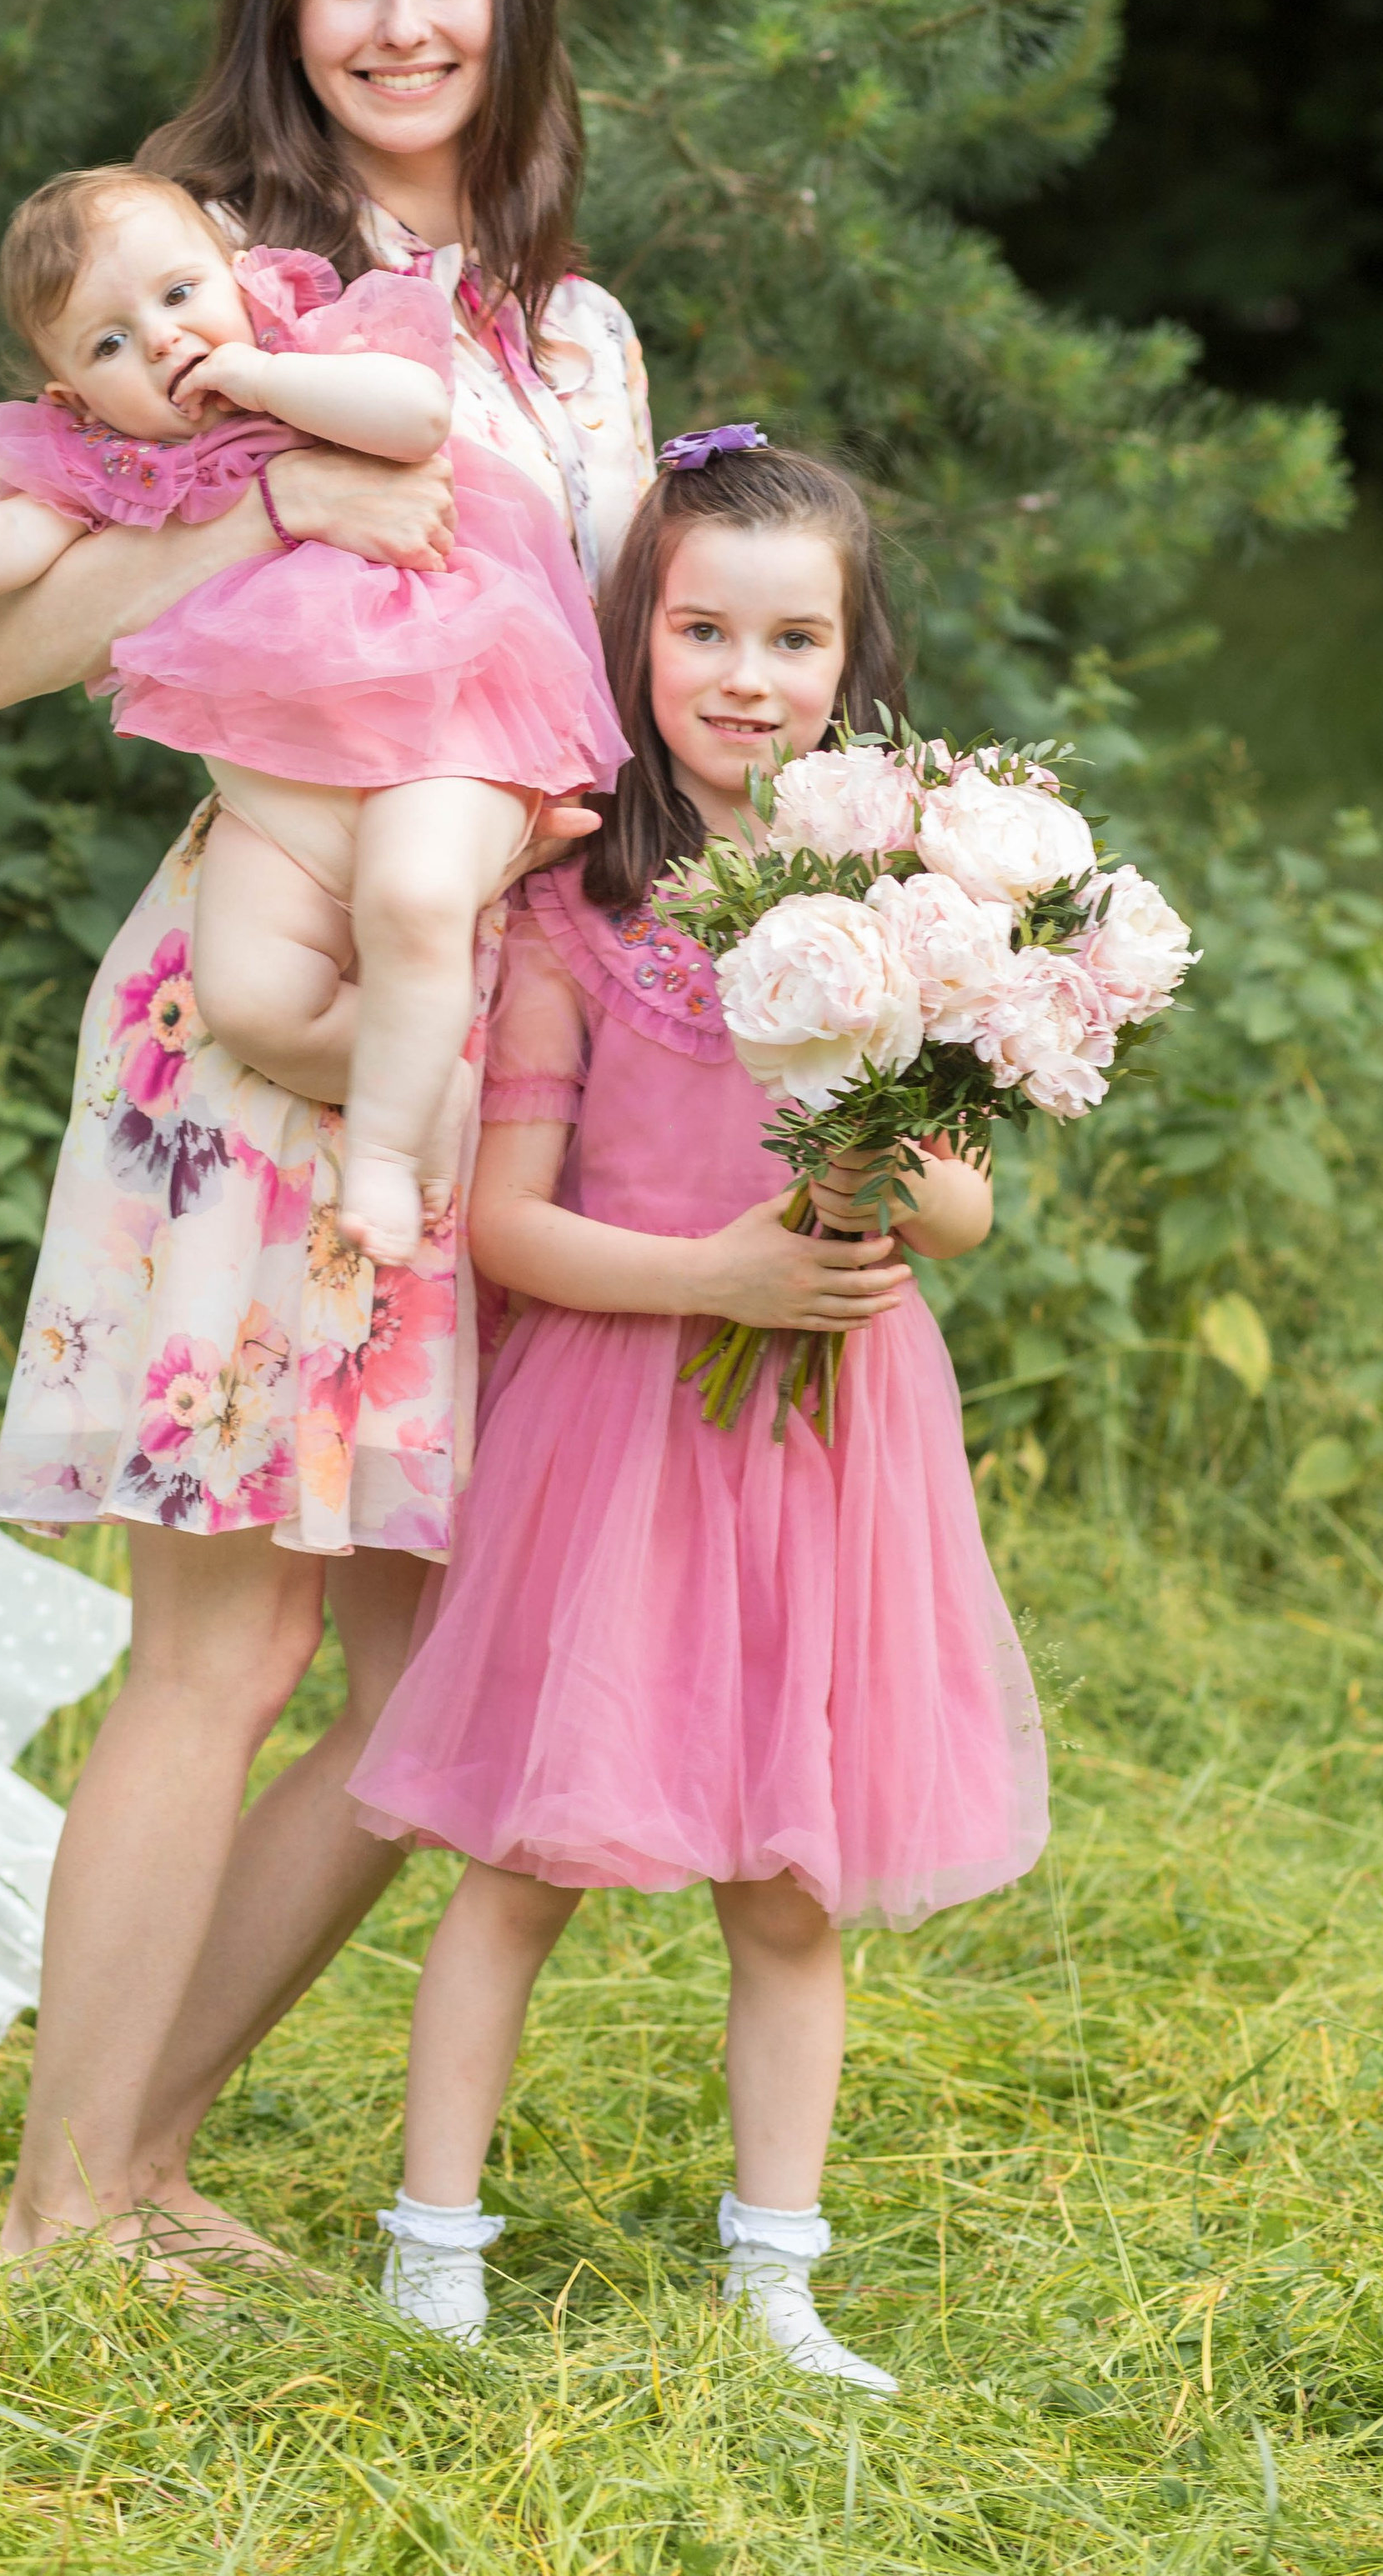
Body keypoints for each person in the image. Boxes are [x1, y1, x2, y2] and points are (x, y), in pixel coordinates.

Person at [0, 0, 654, 2272]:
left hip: (468, 1006)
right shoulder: (202, 278)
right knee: (223, 1638)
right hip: (248, 1024)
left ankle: (141, 2147)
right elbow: (6, 644)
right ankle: (62, 2206)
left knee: (425, 1673)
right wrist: (259, 508)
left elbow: (630, 678)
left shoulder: (572, 335)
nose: (403, 22)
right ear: (288, 2)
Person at [348, 434, 1050, 2386]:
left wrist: (873, 1043)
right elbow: (500, 1223)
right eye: (700, 628)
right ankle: (433, 2239)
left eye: (791, 635)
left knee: (789, 1876)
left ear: (850, 655)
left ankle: (773, 2275)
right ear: (634, 638)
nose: (745, 674)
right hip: (618, 1427)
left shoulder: (906, 898)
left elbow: (967, 1209)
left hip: (831, 1432)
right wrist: (718, 1281)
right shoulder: (576, 906)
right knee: (528, 1856)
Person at [0, 171, 624, 1264]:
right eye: (107, 344)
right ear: (69, 393)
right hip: (283, 772)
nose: (159, 341)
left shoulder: (309, 338)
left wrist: (264, 371)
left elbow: (417, 416)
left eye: (177, 295)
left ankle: (391, 1157)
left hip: (439, 702)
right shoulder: (117, 454)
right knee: (251, 999)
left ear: (236, 272)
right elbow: (16, 541)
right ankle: (425, 1082)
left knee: (411, 894)